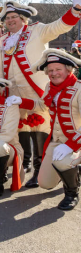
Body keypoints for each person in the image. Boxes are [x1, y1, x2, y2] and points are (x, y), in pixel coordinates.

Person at [0, 0, 81, 188]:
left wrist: (75, 10)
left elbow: (58, 26)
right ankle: (25, 163)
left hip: (38, 93)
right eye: (7, 18)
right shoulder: (3, 40)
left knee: (40, 131)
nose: (10, 20)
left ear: (23, 18)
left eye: (14, 16)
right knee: (21, 130)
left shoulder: (36, 30)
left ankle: (39, 168)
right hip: (14, 94)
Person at [19, 49, 81, 210]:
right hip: (56, 141)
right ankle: (69, 171)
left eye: (58, 69)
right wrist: (20, 101)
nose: (54, 73)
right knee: (45, 183)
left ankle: (72, 193)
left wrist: (71, 145)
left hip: (76, 143)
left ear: (68, 69)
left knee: (63, 161)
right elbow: (42, 106)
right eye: (50, 70)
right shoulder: (50, 87)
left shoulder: (79, 89)